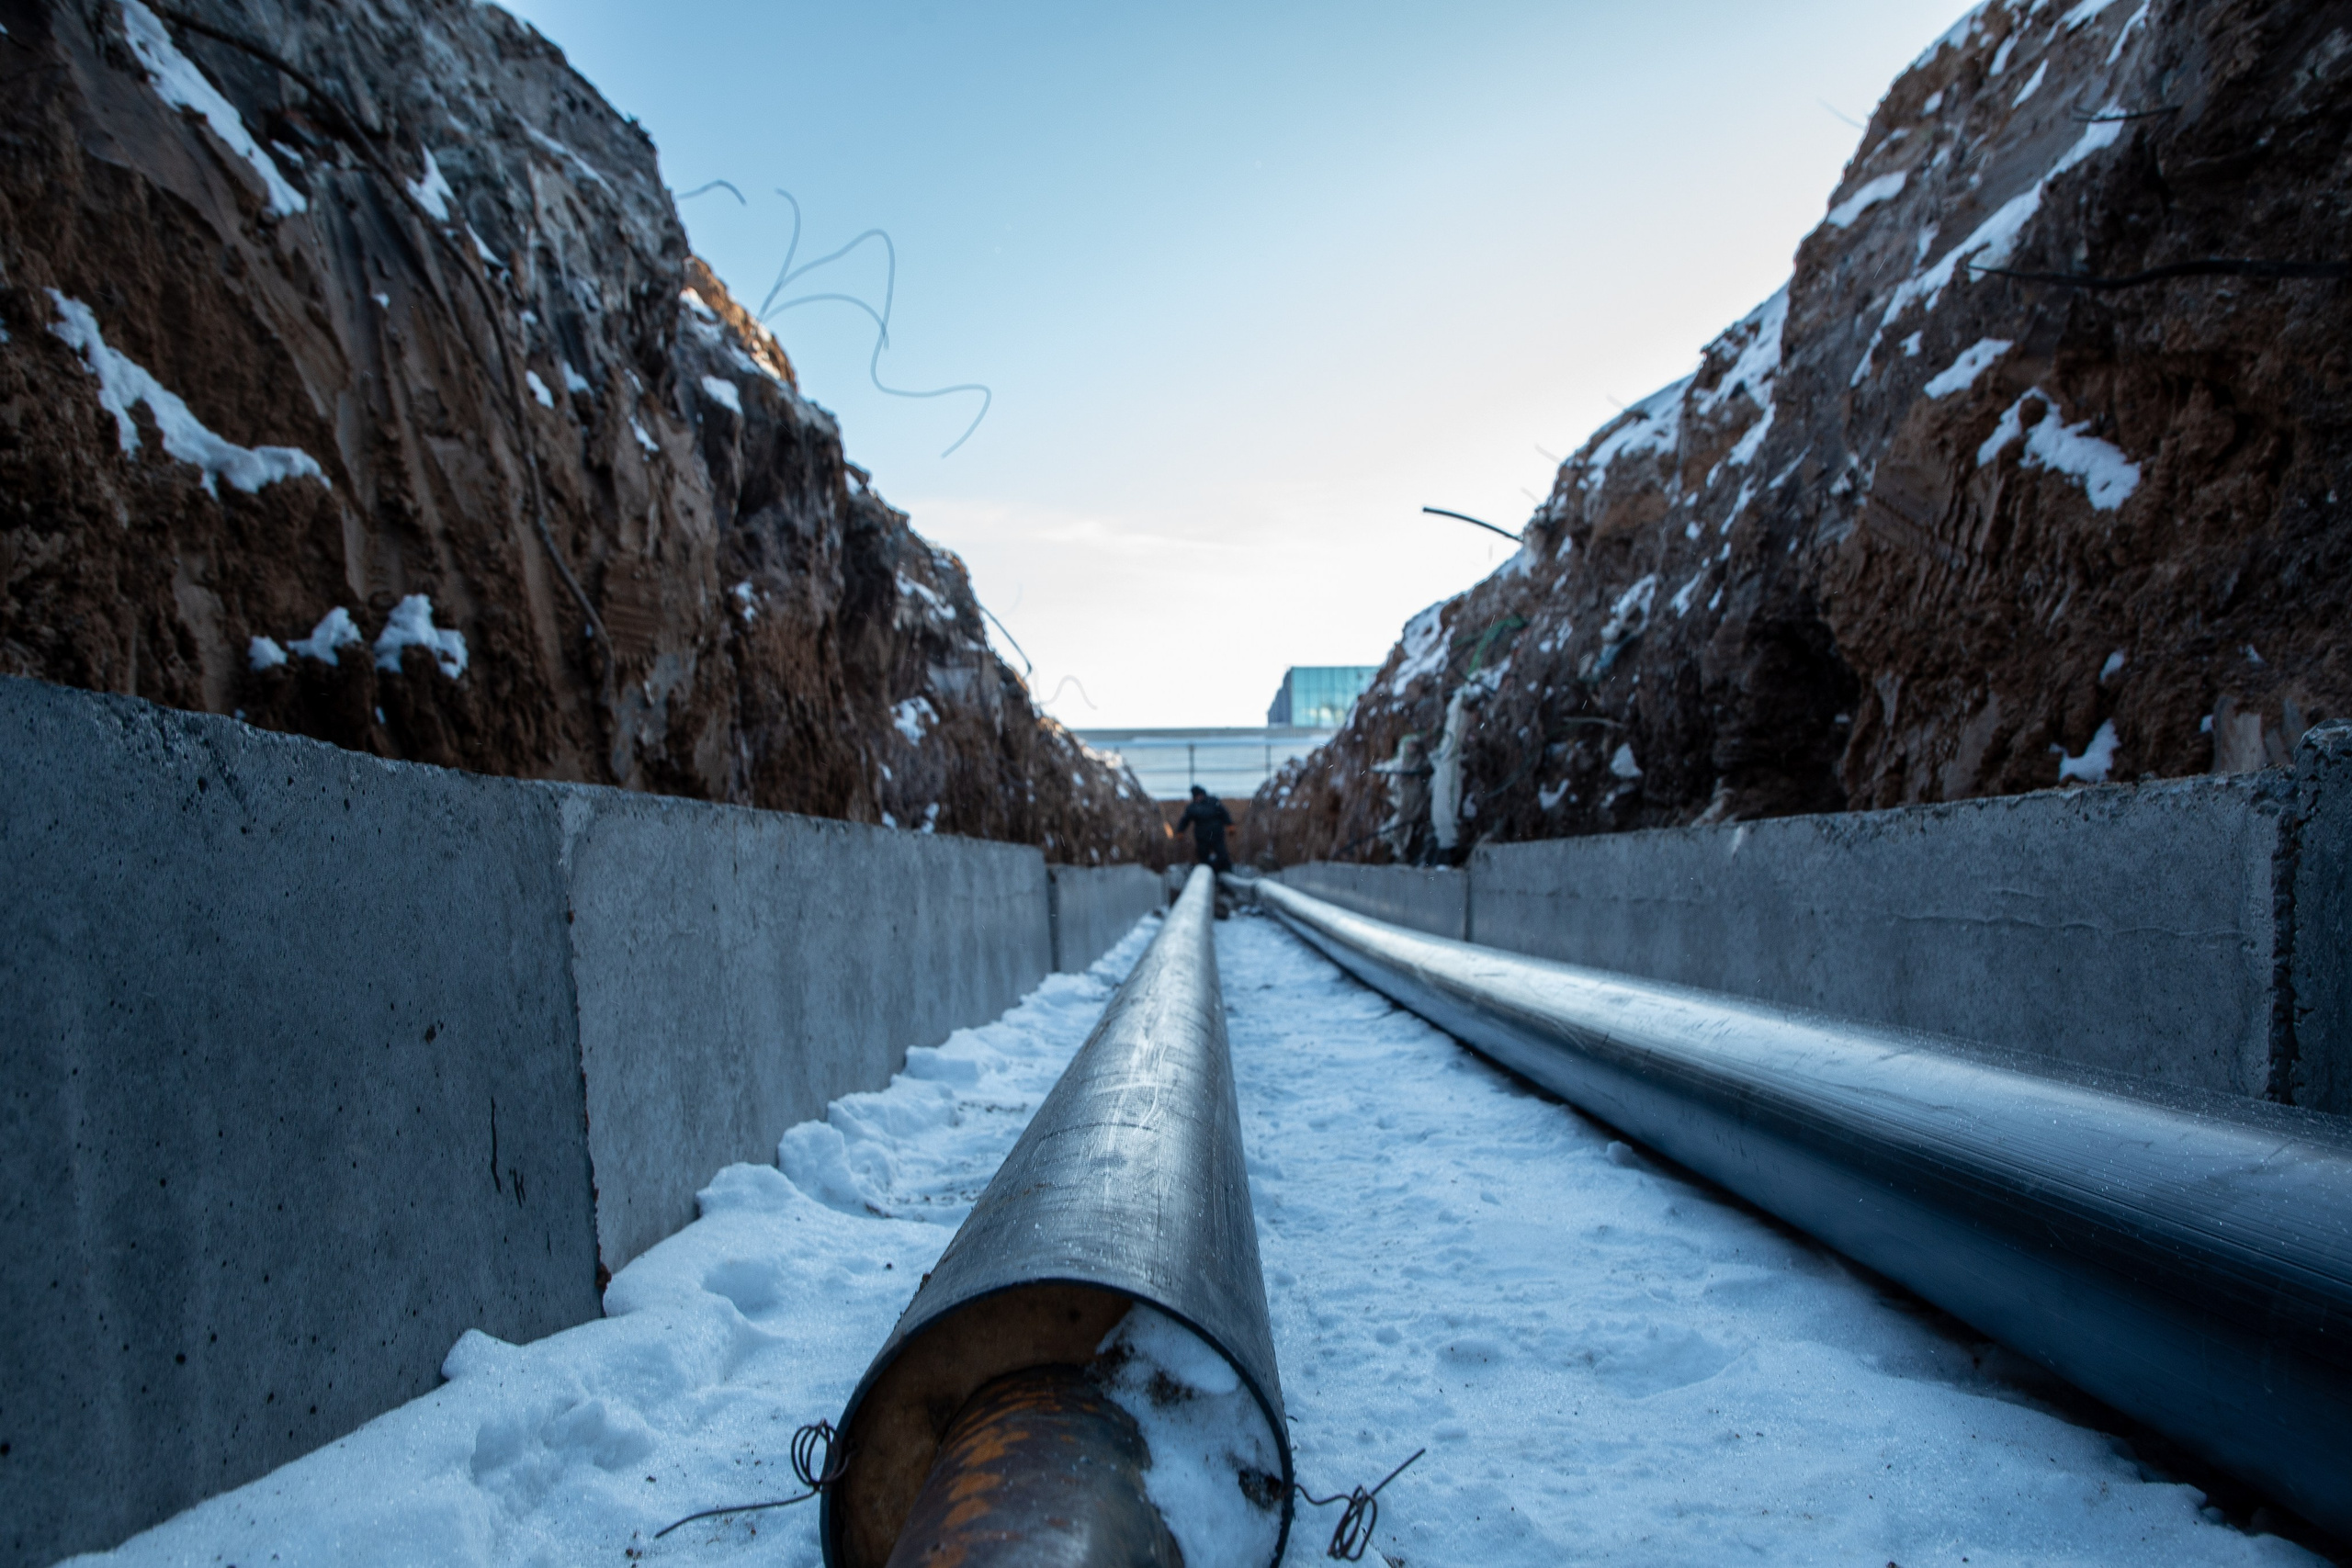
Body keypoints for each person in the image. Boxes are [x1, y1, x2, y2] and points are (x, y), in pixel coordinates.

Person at [1175, 784, 1234, 873]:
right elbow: (1185, 820)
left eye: (1199, 795)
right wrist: (1180, 831)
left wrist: (1230, 825)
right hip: (1202, 836)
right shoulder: (1193, 807)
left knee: (1222, 854)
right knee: (1203, 856)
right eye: (1196, 796)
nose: (1198, 798)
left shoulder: (1213, 802)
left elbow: (1223, 813)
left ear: (1203, 794)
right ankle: (1205, 873)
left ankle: (1226, 872)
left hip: (1216, 834)